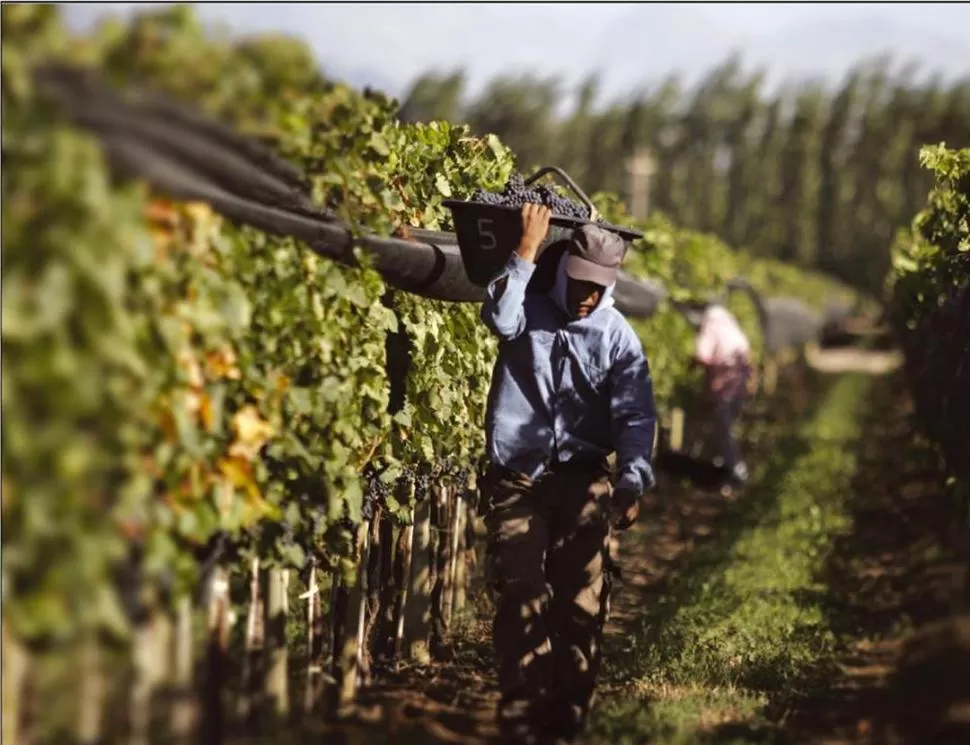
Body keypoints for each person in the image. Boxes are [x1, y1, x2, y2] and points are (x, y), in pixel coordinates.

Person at [479, 203, 657, 745]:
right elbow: (498, 319)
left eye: (598, 288)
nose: (587, 296)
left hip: (584, 481)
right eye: (579, 282)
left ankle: (565, 724)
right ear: (562, 271)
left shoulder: (618, 337)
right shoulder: (525, 305)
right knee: (523, 593)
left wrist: (632, 480)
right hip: (519, 478)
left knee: (580, 608)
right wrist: (527, 250)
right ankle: (522, 721)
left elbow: (635, 415)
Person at [693, 301, 752, 495]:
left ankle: (736, 471)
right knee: (723, 428)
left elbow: (703, 355)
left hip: (725, 382)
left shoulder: (711, 324)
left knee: (722, 429)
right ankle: (723, 472)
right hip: (738, 382)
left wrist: (691, 367)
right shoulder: (729, 323)